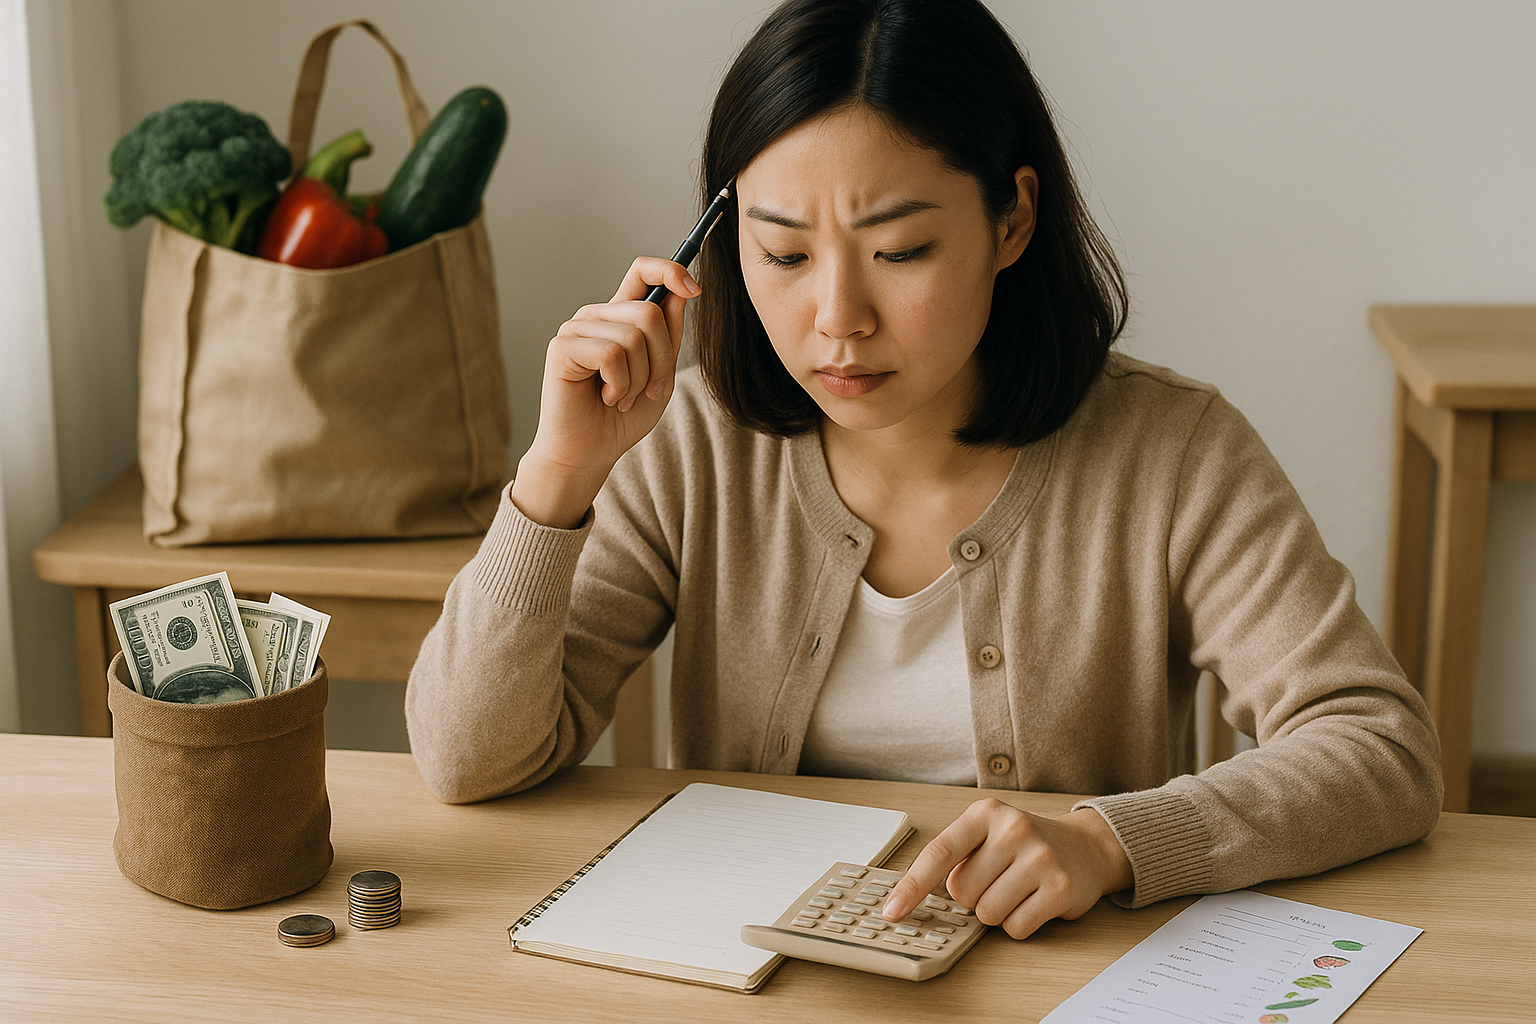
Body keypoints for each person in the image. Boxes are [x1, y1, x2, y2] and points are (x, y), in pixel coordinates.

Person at [406, 0, 1441, 940]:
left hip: (1059, 977)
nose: (838, 317)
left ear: (1012, 220)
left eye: (898, 251)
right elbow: (466, 760)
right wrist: (555, 478)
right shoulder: (687, 440)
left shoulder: (1173, 453)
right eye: (782, 254)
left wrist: (1112, 840)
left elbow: (1379, 747)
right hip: (753, 976)